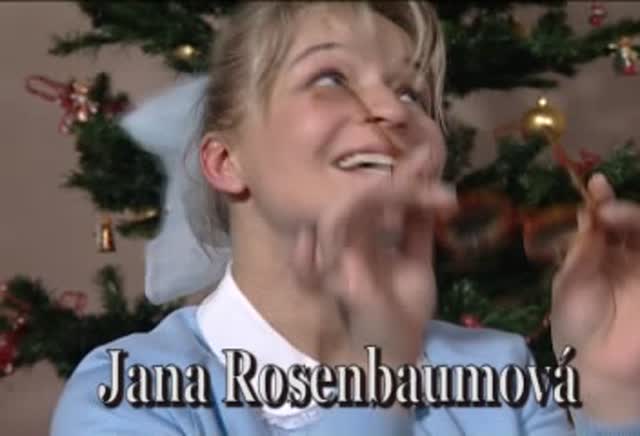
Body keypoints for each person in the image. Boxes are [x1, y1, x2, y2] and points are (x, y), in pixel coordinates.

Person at [51, 2, 640, 435]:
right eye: (330, 78)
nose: (392, 111)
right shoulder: (128, 395)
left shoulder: (497, 373)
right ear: (226, 162)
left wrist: (614, 396)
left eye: (411, 94)